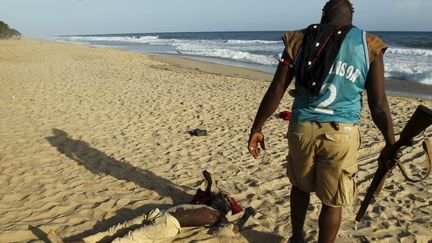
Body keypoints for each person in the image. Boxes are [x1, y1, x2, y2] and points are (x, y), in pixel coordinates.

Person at [247, 0, 395, 242]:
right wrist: (391, 142)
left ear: (324, 12)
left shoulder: (298, 40)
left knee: (300, 188)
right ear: (352, 15)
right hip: (342, 134)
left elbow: (277, 90)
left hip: (302, 128)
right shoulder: (370, 45)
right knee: (332, 201)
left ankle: (297, 238)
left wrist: (257, 127)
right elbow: (378, 104)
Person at [47, 171, 256, 243]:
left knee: (124, 240)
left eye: (224, 200)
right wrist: (212, 185)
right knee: (114, 230)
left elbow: (233, 229)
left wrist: (247, 215)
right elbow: (211, 190)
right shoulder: (209, 203)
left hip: (168, 225)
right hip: (160, 214)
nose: (221, 198)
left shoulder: (218, 216)